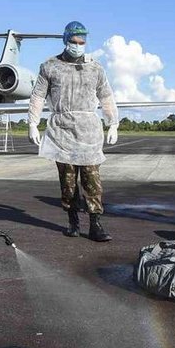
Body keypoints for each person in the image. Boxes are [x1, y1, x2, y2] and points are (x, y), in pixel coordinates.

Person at [27, 21, 119, 242]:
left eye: (82, 42)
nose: (78, 45)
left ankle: (96, 224)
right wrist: (32, 122)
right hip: (62, 131)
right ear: (66, 40)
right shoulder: (50, 66)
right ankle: (73, 221)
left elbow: (106, 96)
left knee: (92, 180)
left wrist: (113, 122)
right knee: (68, 181)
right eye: (74, 41)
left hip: (88, 131)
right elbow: (38, 96)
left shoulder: (95, 68)